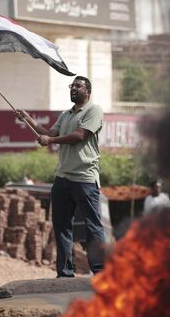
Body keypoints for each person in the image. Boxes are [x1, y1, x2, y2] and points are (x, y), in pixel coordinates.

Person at [13, 76, 105, 277]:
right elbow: (48, 132)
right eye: (71, 86)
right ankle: (64, 272)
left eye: (78, 86)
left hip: (85, 178)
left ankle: (99, 271)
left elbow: (80, 136)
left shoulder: (93, 110)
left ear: (88, 91)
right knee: (62, 226)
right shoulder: (65, 115)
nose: (73, 89)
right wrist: (28, 118)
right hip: (62, 178)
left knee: (93, 226)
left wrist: (51, 139)